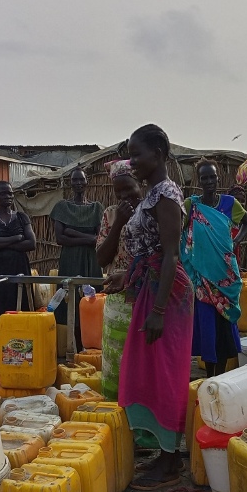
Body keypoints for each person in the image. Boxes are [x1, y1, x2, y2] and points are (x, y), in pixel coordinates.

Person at [112, 124, 194, 490]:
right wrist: (125, 278)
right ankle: (163, 452)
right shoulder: (151, 195)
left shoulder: (166, 194)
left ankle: (172, 459)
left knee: (166, 374)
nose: (132, 162)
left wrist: (159, 311)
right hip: (151, 288)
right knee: (145, 371)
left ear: (158, 155)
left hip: (168, 295)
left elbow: (171, 255)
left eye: (137, 154)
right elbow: (147, 253)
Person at [182, 159, 247, 377]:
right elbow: (179, 233)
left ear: (218, 178)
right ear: (198, 181)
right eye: (204, 178)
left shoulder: (230, 203)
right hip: (201, 277)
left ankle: (220, 376)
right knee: (206, 325)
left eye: (212, 177)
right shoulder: (190, 205)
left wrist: (235, 242)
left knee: (223, 324)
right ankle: (209, 374)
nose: (209, 181)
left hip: (225, 274)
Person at [96, 159, 144, 401]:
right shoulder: (110, 214)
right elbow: (101, 258)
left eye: (129, 188)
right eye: (119, 191)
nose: (125, 196)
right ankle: (116, 421)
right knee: (116, 363)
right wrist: (118, 225)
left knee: (142, 367)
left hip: (146, 298)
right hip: (117, 303)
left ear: (140, 183)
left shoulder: (153, 212)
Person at [51, 168, 104, 351]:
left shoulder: (96, 208)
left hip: (91, 260)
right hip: (70, 260)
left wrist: (72, 232)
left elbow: (100, 238)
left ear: (87, 181)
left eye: (81, 179)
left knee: (92, 299)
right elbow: (60, 239)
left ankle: (92, 348)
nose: (78, 183)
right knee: (71, 299)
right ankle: (75, 347)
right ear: (70, 183)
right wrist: (88, 238)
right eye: (75, 180)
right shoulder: (61, 208)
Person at [0, 181, 36, 336]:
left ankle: (23, 347)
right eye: (3, 193)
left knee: (21, 305)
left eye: (10, 193)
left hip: (19, 270)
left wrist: (2, 244)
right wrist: (16, 238)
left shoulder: (21, 217)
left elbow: (31, 243)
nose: (8, 196)